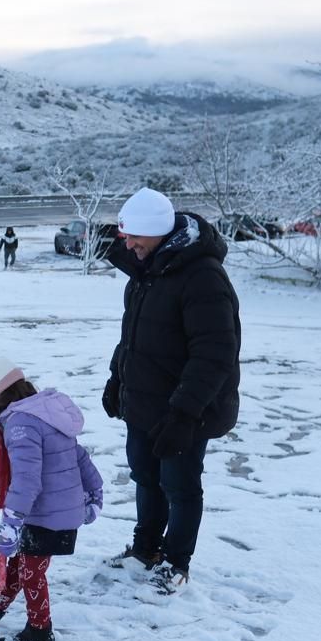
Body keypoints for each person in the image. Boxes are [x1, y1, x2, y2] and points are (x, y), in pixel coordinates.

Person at [101, 187, 241, 592]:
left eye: (133, 237)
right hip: (144, 401)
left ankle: (176, 561)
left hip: (186, 410)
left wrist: (184, 415)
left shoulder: (203, 277)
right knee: (145, 476)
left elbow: (215, 354)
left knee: (179, 486)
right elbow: (132, 336)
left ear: (157, 232)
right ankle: (145, 549)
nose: (126, 243)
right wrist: (117, 379)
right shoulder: (147, 272)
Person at [0, 351, 103, 641]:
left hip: (47, 513)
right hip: (59, 507)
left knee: (31, 573)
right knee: (23, 563)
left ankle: (40, 632)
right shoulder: (44, 411)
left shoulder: (21, 424)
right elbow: (79, 455)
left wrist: (11, 521)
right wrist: (95, 492)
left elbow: (26, 480)